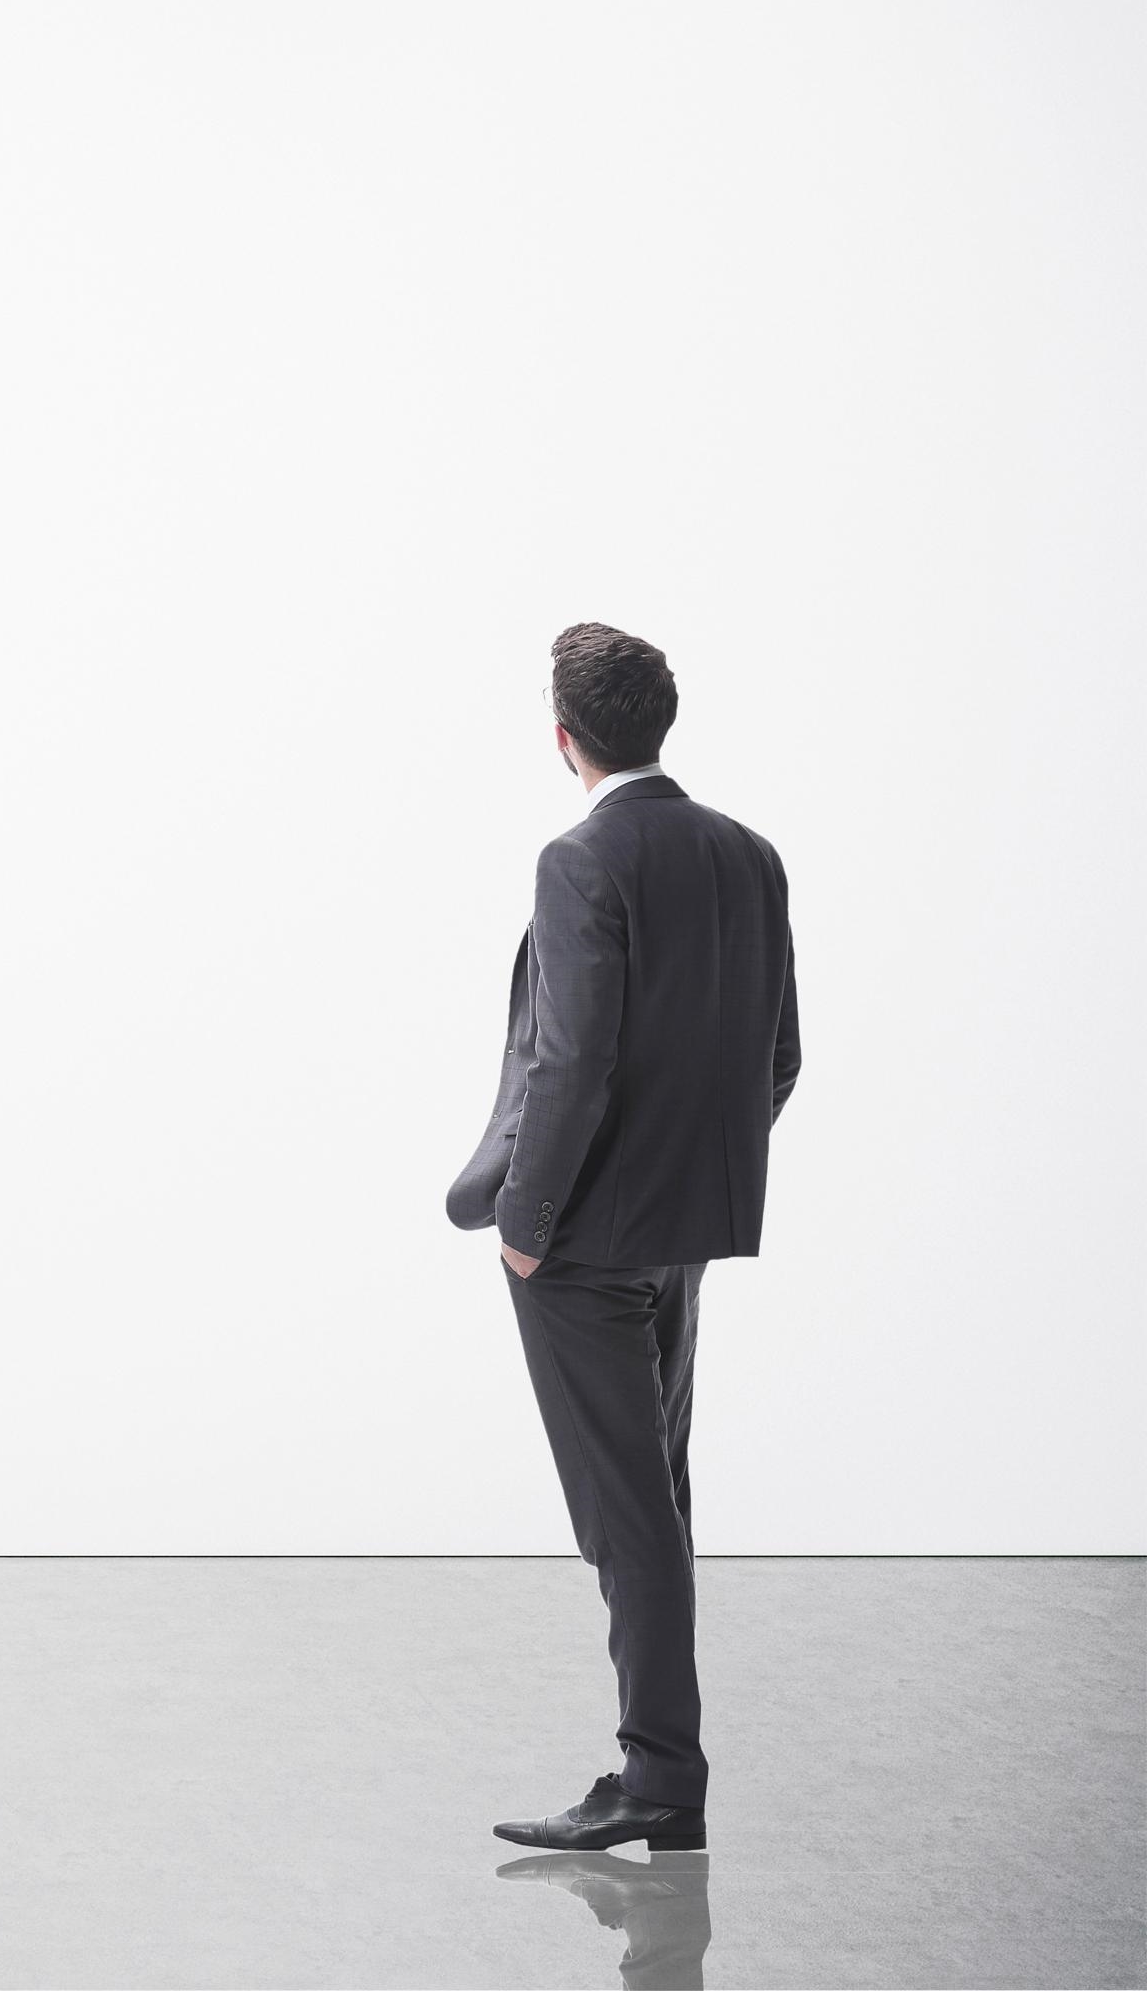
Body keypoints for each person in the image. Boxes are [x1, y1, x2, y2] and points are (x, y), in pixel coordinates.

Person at [445, 623, 801, 1855]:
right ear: (660, 722)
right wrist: (682, 1180)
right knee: (659, 1498)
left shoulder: (580, 860)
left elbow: (572, 1059)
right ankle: (662, 1771)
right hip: (683, 1234)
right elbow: (778, 1061)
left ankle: (660, 1777)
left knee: (627, 1517)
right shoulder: (750, 857)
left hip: (582, 1245)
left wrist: (529, 1231)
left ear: (565, 740)